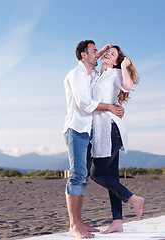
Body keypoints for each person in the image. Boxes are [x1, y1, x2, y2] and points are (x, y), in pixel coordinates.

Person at [63, 40, 124, 239]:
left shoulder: (92, 76)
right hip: (76, 129)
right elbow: (84, 103)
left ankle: (79, 222)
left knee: (82, 177)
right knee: (77, 175)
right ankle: (74, 225)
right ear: (83, 55)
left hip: (88, 132)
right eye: (94, 51)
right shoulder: (76, 75)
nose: (97, 54)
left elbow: (106, 83)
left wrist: (105, 51)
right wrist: (109, 107)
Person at [90, 45, 144, 234]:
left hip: (110, 130)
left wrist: (124, 66)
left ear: (116, 61)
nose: (108, 54)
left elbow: (128, 87)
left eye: (113, 54)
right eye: (107, 51)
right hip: (99, 131)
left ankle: (132, 198)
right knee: (111, 177)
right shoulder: (94, 74)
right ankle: (117, 221)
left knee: (96, 173)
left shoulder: (115, 74)